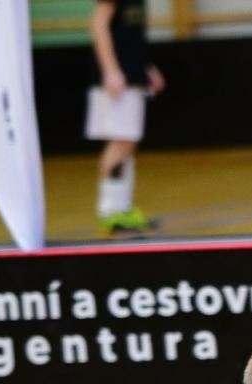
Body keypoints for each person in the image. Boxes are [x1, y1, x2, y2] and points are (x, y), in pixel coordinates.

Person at [87, 0, 163, 236]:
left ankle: (122, 208)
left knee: (127, 142)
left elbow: (129, 35)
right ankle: (109, 212)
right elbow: (98, 24)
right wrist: (110, 70)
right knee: (120, 142)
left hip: (131, 75)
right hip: (116, 79)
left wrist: (146, 68)